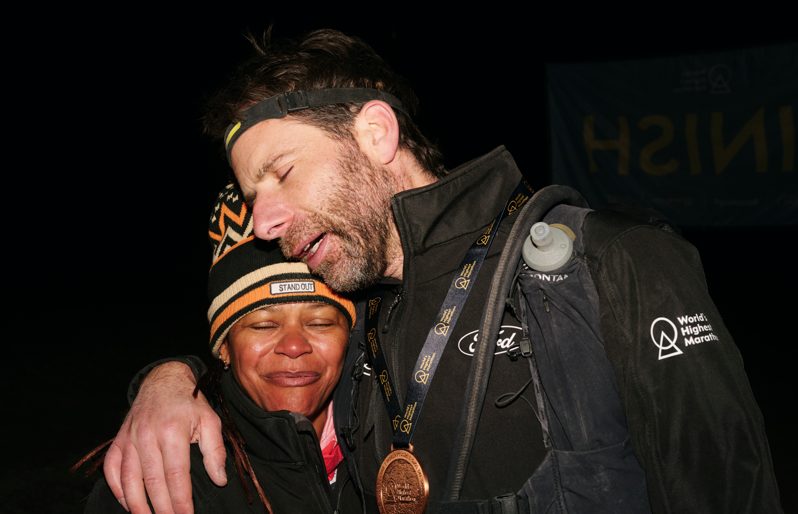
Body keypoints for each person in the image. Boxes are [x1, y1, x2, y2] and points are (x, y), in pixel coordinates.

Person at [103, 28, 783, 514]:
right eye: (253, 199)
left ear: (375, 133)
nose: (263, 223)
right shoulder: (360, 318)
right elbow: (263, 387)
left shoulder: (609, 262)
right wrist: (169, 381)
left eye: (280, 174)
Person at [85, 184, 362, 513]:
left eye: (320, 323)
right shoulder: (164, 475)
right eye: (263, 325)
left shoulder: (387, 431)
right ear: (225, 347)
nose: (293, 346)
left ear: (349, 337)